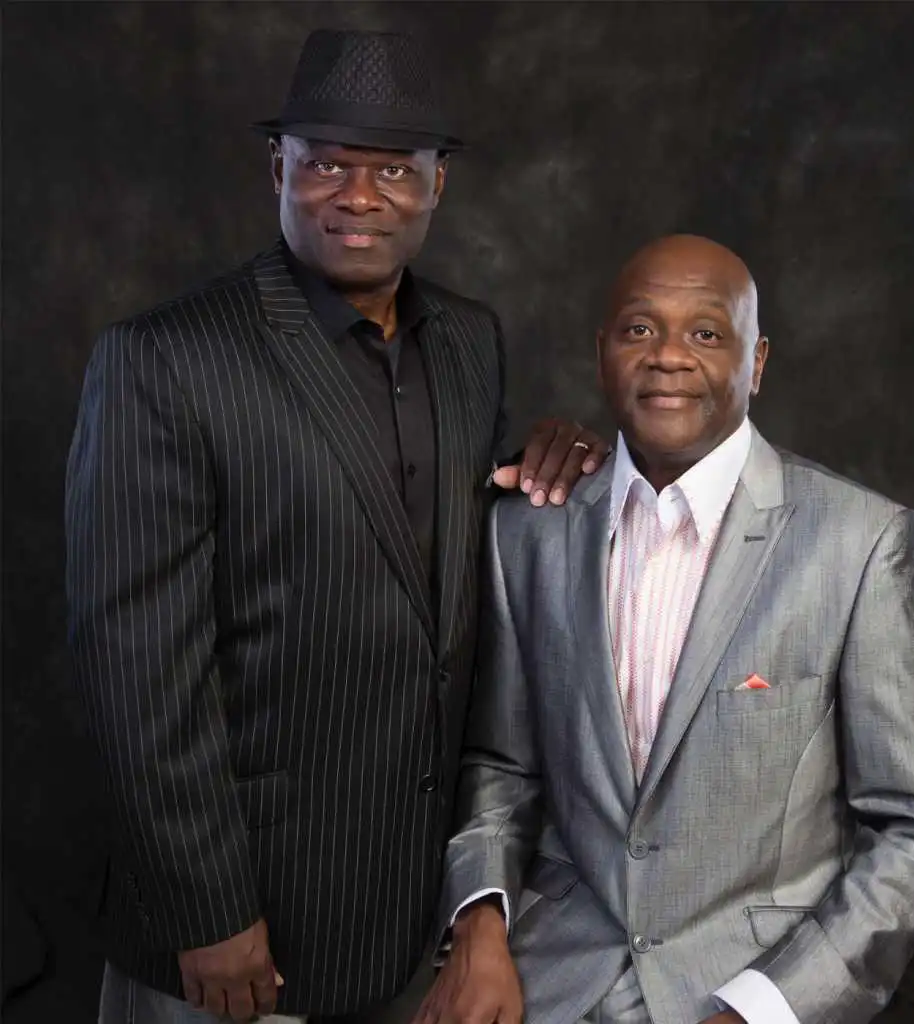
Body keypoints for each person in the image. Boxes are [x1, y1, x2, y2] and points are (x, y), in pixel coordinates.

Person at [65, 28, 610, 1024]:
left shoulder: (470, 341)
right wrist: (207, 909)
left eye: (394, 169)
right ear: (278, 169)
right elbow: (135, 667)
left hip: (411, 911)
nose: (360, 196)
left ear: (437, 184)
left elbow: (452, 586)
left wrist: (561, 455)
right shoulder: (166, 360)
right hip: (235, 921)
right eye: (326, 165)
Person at [419, 234, 914, 1024]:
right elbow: (502, 764)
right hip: (547, 976)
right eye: (640, 329)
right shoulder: (529, 530)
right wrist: (479, 921)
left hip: (757, 982)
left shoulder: (861, 543)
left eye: (707, 333)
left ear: (757, 363)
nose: (668, 356)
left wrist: (762, 1008)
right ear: (603, 353)